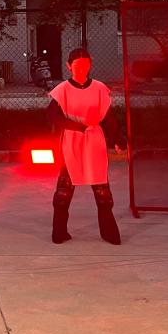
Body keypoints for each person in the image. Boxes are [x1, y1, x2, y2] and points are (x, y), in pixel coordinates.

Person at [46, 48, 123, 245]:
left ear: (90, 65)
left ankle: (109, 233)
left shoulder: (99, 88)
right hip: (71, 141)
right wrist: (76, 126)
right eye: (77, 65)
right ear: (69, 66)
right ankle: (59, 232)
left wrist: (117, 138)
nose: (81, 69)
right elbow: (53, 116)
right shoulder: (62, 90)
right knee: (64, 190)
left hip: (94, 140)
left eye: (85, 65)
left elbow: (108, 117)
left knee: (102, 189)